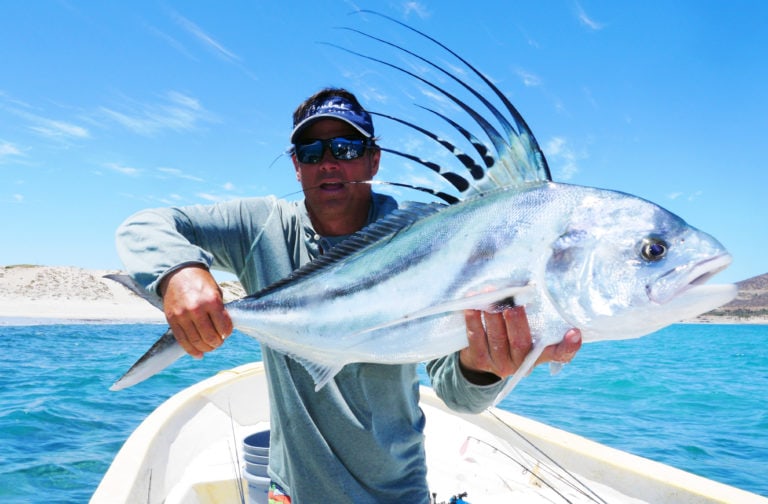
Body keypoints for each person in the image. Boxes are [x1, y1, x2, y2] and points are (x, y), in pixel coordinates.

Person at [116, 87, 582, 503]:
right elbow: (144, 225)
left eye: (346, 146)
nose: (329, 162)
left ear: (373, 160)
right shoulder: (262, 226)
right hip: (290, 492)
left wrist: (485, 369)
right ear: (296, 165)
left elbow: (457, 395)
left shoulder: (426, 234)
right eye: (311, 150)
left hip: (396, 494)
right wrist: (178, 273)